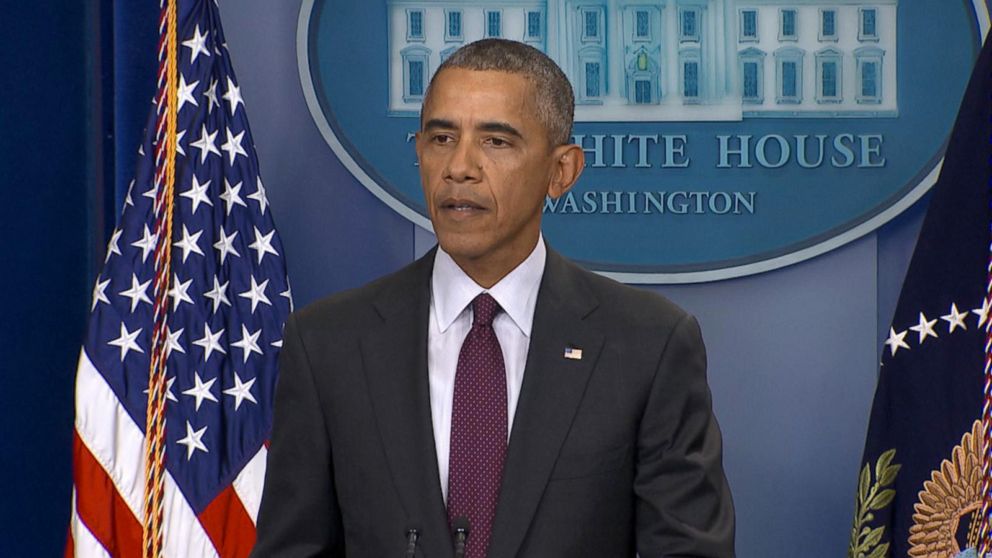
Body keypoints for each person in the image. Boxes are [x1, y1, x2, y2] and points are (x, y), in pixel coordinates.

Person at [252, 38, 734, 557]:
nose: (459, 167)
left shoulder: (648, 345)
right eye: (440, 138)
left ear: (561, 172)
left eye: (496, 142)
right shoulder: (328, 344)